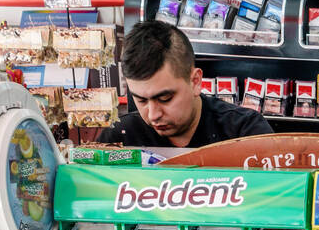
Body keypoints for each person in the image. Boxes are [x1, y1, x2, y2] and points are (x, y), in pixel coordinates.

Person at [98, 20, 273, 148]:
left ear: (195, 81)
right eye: (141, 100)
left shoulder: (246, 134)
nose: (153, 115)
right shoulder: (119, 139)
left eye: (165, 98)